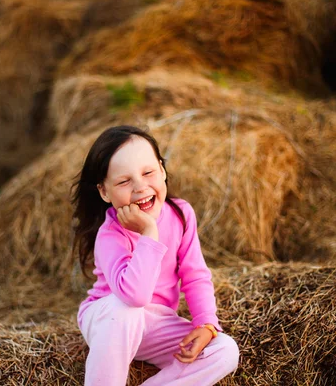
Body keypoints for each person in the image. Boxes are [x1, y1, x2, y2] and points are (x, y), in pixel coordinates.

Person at [71, 125, 239, 386]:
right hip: (110, 321)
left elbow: (195, 275)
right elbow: (134, 296)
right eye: (124, 181)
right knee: (125, 310)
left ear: (162, 169)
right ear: (104, 191)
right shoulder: (110, 235)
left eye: (148, 172)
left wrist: (206, 325)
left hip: (155, 324)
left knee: (225, 350)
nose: (140, 187)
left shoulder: (181, 214)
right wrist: (149, 232)